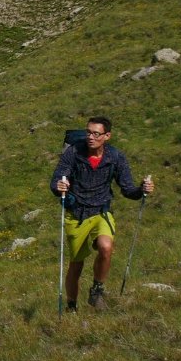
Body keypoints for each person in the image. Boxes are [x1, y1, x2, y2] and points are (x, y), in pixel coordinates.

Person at [51, 116, 154, 311]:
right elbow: (56, 181)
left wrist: (142, 189)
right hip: (77, 214)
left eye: (96, 134)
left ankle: (97, 291)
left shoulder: (115, 157)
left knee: (106, 247)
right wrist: (59, 186)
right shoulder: (73, 153)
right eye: (88, 132)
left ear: (107, 136)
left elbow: (127, 189)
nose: (90, 137)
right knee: (76, 264)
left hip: (101, 211)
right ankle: (71, 306)